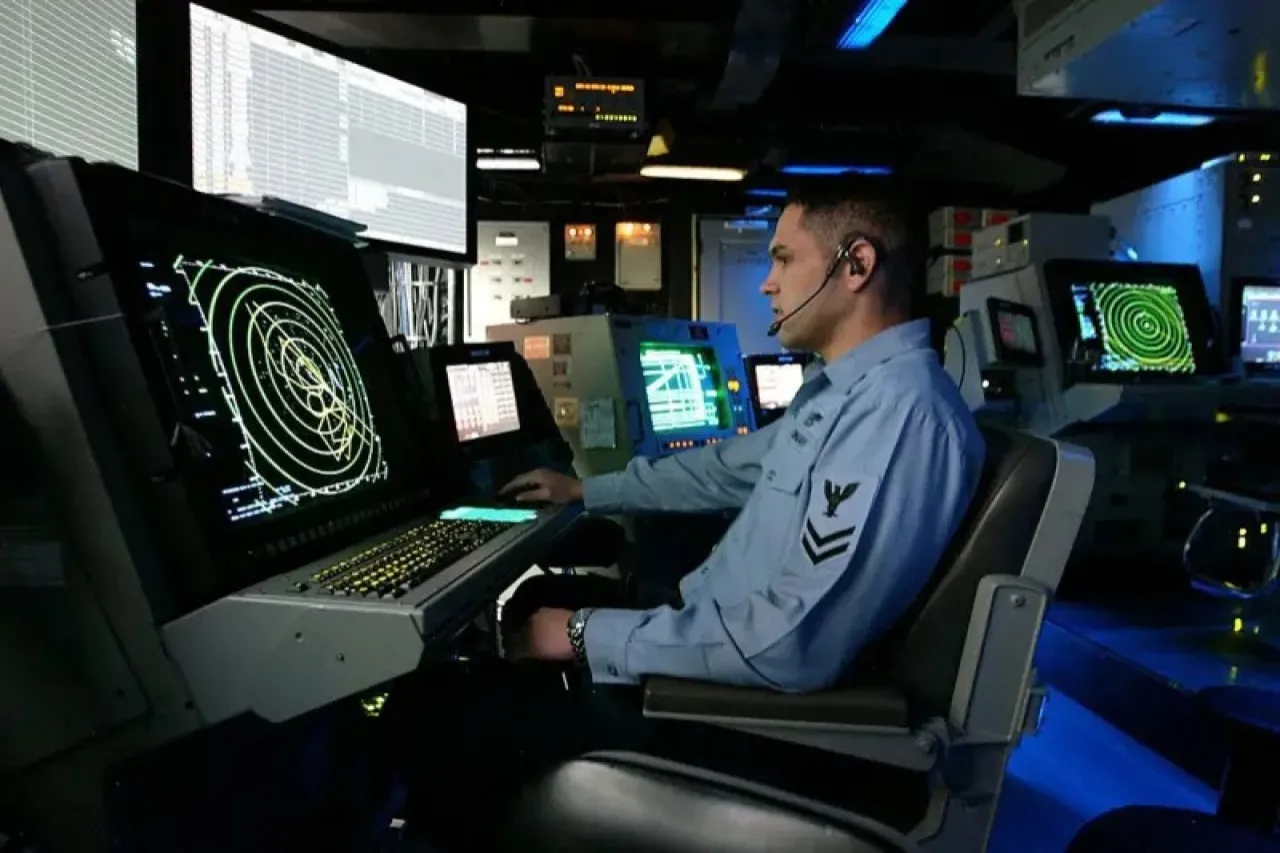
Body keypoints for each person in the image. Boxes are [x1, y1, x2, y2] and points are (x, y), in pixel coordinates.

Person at [388, 186, 985, 846]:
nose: (767, 283)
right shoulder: (848, 395)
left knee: (432, 711)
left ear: (856, 265)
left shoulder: (900, 415)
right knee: (533, 608)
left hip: (747, 718)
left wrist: (585, 635)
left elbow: (792, 643)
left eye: (784, 259)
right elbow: (723, 468)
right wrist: (585, 490)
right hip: (724, 664)